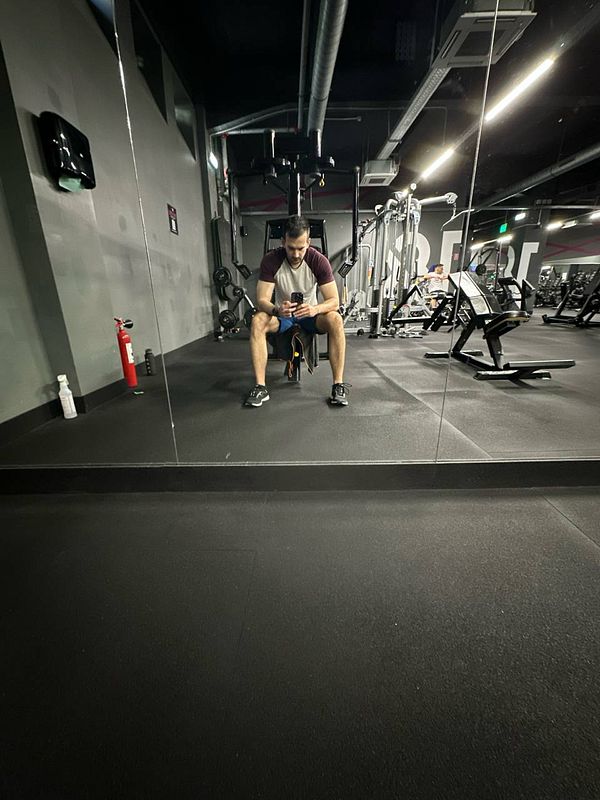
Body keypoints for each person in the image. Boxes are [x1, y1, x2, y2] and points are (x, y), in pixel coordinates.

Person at [245, 215, 350, 408]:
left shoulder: (318, 261)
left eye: (301, 248)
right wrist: (277, 309)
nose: (296, 254)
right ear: (283, 242)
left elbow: (335, 301)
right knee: (258, 320)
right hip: (283, 317)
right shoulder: (271, 260)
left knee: (335, 319)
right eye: (291, 248)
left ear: (308, 243)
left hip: (310, 317)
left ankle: (338, 385)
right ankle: (260, 387)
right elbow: (261, 301)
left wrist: (314, 309)